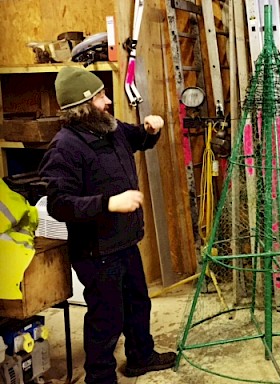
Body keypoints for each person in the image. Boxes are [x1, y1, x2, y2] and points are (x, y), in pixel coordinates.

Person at [39, 66, 176, 384]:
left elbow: (138, 138)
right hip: (95, 251)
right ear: (82, 107)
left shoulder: (109, 129)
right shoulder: (65, 148)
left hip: (124, 241)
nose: (108, 100)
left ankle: (141, 357)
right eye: (100, 96)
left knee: (138, 302)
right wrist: (108, 203)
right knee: (106, 317)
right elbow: (59, 203)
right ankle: (99, 378)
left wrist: (151, 130)